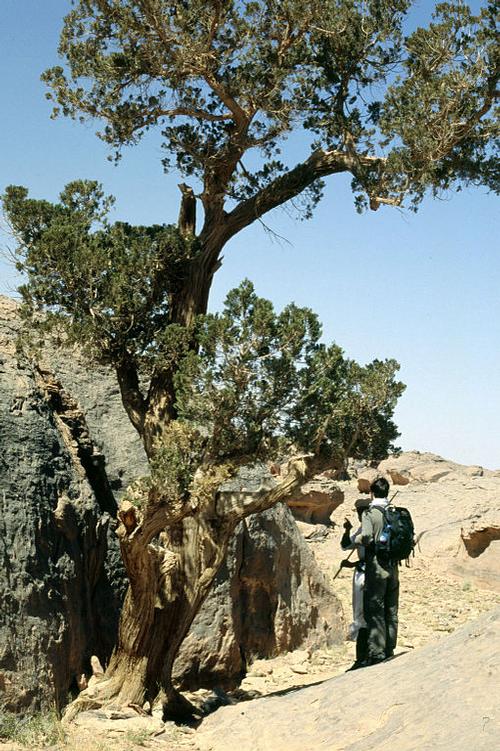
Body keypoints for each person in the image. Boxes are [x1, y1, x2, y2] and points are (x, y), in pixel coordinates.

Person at [351, 476, 399, 665]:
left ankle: (376, 652)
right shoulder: (394, 510)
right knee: (391, 608)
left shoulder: (370, 512)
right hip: (394, 566)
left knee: (375, 608)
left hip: (377, 566)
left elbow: (367, 537)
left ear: (372, 492)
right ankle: (390, 647)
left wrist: (355, 541)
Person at [340, 497, 370, 669]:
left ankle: (362, 658)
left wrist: (352, 564)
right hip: (366, 573)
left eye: (361, 513)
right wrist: (347, 530)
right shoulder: (362, 528)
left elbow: (369, 556)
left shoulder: (367, 529)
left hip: (364, 575)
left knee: (361, 615)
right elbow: (346, 546)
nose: (359, 516)